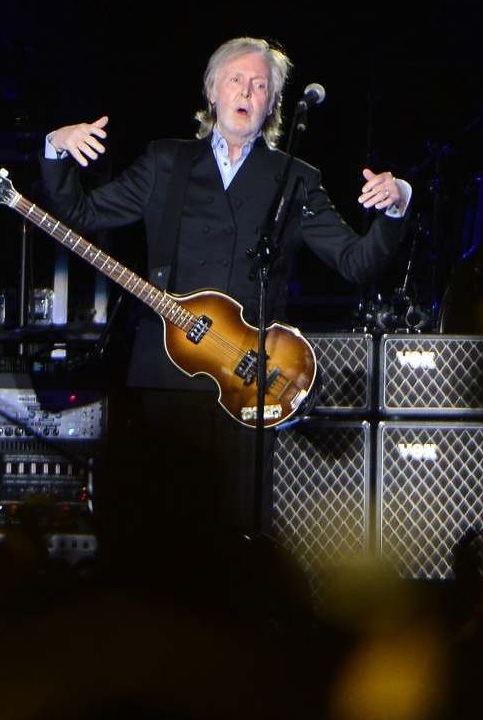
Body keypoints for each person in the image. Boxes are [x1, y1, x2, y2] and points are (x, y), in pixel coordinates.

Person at [39, 36, 412, 587]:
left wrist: (398, 202)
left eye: (261, 85)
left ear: (273, 105)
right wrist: (56, 146)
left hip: (249, 388)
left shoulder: (296, 178)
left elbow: (356, 261)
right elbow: (82, 213)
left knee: (236, 539)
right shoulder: (167, 161)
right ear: (212, 91)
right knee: (157, 535)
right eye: (237, 80)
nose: (247, 91)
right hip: (165, 375)